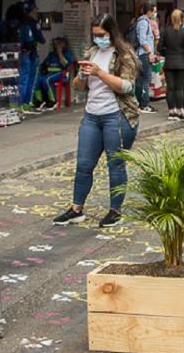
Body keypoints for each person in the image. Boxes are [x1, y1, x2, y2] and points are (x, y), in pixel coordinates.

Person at [53, 14, 140, 229]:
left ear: (111, 33)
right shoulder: (91, 52)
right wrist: (82, 75)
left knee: (115, 165)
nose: (98, 39)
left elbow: (127, 86)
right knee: (84, 164)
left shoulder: (124, 54)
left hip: (117, 115)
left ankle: (115, 210)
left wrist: (100, 73)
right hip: (92, 115)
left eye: (101, 35)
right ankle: (76, 209)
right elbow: (78, 86)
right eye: (95, 35)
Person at [159, 9, 184, 121]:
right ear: (182, 19)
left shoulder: (165, 31)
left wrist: (167, 53)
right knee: (179, 88)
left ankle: (171, 111)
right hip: (182, 63)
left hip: (169, 62)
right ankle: (179, 110)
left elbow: (159, 48)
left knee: (170, 88)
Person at [18, 1, 46, 113]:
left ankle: (19, 104)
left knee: (21, 78)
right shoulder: (33, 23)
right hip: (30, 54)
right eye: (35, 10)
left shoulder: (18, 22)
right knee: (30, 79)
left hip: (18, 53)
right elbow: (41, 39)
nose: (37, 12)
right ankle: (26, 103)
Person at [36, 37, 76, 110]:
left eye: (59, 43)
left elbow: (65, 65)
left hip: (61, 74)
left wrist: (59, 53)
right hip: (49, 73)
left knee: (47, 80)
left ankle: (52, 101)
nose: (57, 45)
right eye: (56, 44)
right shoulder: (51, 54)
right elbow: (44, 64)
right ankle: (40, 101)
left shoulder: (67, 53)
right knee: (37, 80)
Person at [134, 3, 158, 114]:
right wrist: (150, 53)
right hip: (144, 54)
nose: (155, 14)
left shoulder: (144, 22)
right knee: (145, 79)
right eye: (154, 11)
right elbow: (142, 40)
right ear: (149, 12)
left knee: (141, 79)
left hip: (143, 54)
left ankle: (140, 102)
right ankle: (144, 104)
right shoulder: (143, 22)